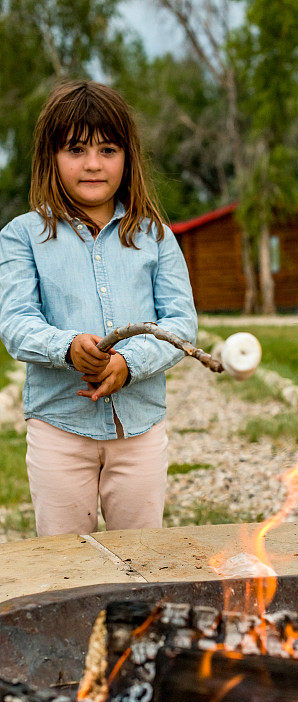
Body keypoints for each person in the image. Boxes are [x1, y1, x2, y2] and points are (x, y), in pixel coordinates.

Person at [0, 81, 197, 537]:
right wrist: (68, 347)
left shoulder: (156, 236)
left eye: (108, 150)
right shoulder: (22, 236)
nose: (92, 164)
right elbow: (15, 322)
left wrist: (130, 362)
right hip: (59, 430)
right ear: (51, 156)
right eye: (75, 150)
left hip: (140, 431)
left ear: (127, 157)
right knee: (68, 562)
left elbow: (182, 324)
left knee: (141, 555)